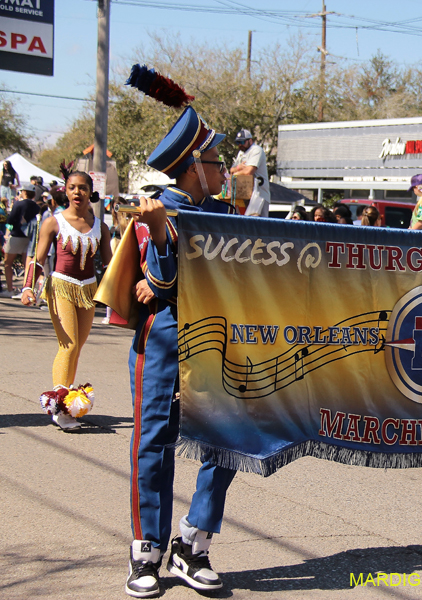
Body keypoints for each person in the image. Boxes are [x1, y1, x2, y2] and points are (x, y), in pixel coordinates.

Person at [117, 97, 238, 596]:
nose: (223, 170)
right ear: (193, 167)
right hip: (164, 343)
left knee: (228, 441)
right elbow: (161, 284)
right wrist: (161, 236)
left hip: (219, 341)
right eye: (215, 162)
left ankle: (194, 543)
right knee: (154, 443)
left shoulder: (226, 213)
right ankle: (146, 550)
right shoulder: (158, 210)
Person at [21, 171, 113, 429]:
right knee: (68, 346)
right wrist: (28, 288)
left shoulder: (101, 227)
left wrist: (119, 294)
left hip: (88, 290)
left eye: (82, 188)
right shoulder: (54, 222)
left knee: (77, 348)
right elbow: (38, 259)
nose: (77, 192)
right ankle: (59, 405)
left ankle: (68, 400)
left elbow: (110, 265)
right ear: (66, 190)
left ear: (91, 192)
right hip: (61, 286)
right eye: (72, 187)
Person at [2, 183, 40, 297]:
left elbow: (10, 220)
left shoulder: (18, 204)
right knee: (26, 264)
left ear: (24, 192)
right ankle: (25, 289)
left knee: (7, 263)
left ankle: (10, 289)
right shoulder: (36, 206)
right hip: (30, 238)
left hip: (17, 235)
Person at [230, 128, 270, 217]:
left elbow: (249, 172)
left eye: (242, 142)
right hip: (244, 195)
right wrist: (238, 167)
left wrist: (236, 173)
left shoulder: (256, 150)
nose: (240, 145)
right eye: (238, 143)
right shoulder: (241, 153)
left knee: (258, 223)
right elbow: (231, 170)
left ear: (250, 140)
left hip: (259, 196)